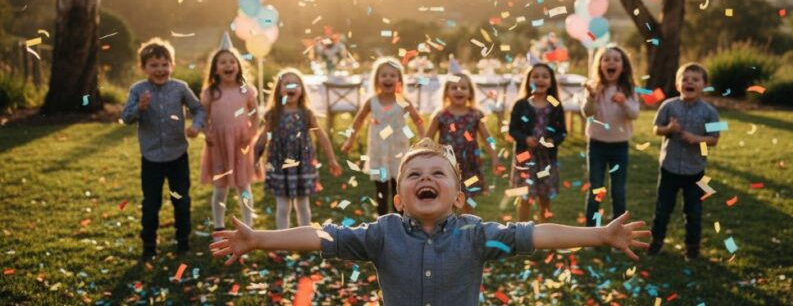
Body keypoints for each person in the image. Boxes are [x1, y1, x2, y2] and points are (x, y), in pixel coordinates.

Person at [210, 138, 651, 306]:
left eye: (437, 173)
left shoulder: (476, 234)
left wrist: (600, 233)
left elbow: (535, 234)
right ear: (400, 198)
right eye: (414, 175)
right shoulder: (381, 234)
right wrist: (259, 238)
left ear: (458, 197)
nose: (425, 178)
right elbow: (320, 235)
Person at [121, 38, 205, 258]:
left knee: (181, 200)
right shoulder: (138, 90)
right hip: (151, 159)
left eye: (164, 64)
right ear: (144, 68)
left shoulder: (180, 88)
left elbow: (199, 109)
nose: (160, 70)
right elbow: (126, 117)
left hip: (178, 156)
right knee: (151, 203)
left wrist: (196, 127)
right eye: (154, 65)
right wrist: (139, 108)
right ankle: (149, 244)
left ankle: (183, 241)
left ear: (172, 65)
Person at [649, 62, 722, 259]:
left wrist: (696, 139)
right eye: (685, 79)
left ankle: (692, 248)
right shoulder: (668, 106)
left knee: (694, 212)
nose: (689, 82)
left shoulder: (711, 112)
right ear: (677, 84)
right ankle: (655, 242)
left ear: (704, 85)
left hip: (696, 171)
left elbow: (715, 139)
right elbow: (656, 128)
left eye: (695, 79)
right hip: (669, 168)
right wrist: (668, 130)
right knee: (662, 209)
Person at [255, 68, 342, 229]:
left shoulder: (306, 114)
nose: (291, 87)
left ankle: (304, 239)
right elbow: (262, 137)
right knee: (282, 207)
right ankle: (283, 242)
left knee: (302, 205)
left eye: (295, 84)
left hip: (303, 165)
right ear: (279, 90)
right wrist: (254, 158)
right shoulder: (273, 114)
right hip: (280, 165)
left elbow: (321, 136)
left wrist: (331, 160)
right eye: (286, 83)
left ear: (301, 90)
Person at [341, 57, 425, 216]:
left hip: (398, 151)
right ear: (377, 79)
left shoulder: (402, 101)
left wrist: (423, 139)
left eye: (392, 75)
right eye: (384, 75)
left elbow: (418, 120)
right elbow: (358, 121)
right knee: (380, 188)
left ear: (399, 80)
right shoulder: (372, 101)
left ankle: (400, 222)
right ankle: (382, 221)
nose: (388, 78)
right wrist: (350, 140)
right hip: (379, 151)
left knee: (398, 188)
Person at [199, 48, 262, 231]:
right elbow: (203, 116)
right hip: (218, 144)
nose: (228, 65)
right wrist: (207, 132)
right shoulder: (211, 92)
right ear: (215, 69)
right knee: (220, 187)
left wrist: (251, 134)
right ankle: (219, 226)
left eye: (232, 62)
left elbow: (255, 116)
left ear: (239, 66)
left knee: (243, 185)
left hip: (241, 144)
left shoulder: (246, 91)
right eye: (223, 62)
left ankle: (247, 226)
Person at [581, 45, 640, 227]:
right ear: (600, 65)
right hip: (597, 145)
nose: (611, 63)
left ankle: (616, 232)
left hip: (619, 147)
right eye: (606, 59)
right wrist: (591, 97)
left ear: (623, 66)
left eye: (616, 59)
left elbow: (634, 114)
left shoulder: (628, 89)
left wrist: (624, 104)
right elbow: (587, 113)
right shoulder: (594, 87)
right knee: (596, 189)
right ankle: (592, 232)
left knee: (618, 191)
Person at [425, 72, 501, 212]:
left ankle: (469, 226)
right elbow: (427, 139)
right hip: (447, 166)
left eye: (463, 87)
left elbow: (487, 138)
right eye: (454, 87)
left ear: (470, 92)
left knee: (468, 198)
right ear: (447, 92)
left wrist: (495, 156)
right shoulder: (441, 115)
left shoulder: (476, 114)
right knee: (447, 197)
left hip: (470, 165)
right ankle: (446, 227)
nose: (459, 90)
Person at [508, 63, 567, 222]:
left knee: (545, 199)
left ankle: (543, 234)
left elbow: (562, 132)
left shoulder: (555, 105)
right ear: (528, 80)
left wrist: (551, 141)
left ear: (551, 81)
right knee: (525, 197)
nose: (540, 79)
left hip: (546, 160)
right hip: (525, 158)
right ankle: (522, 234)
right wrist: (526, 139)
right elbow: (512, 130)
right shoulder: (521, 105)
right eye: (535, 76)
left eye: (545, 76)